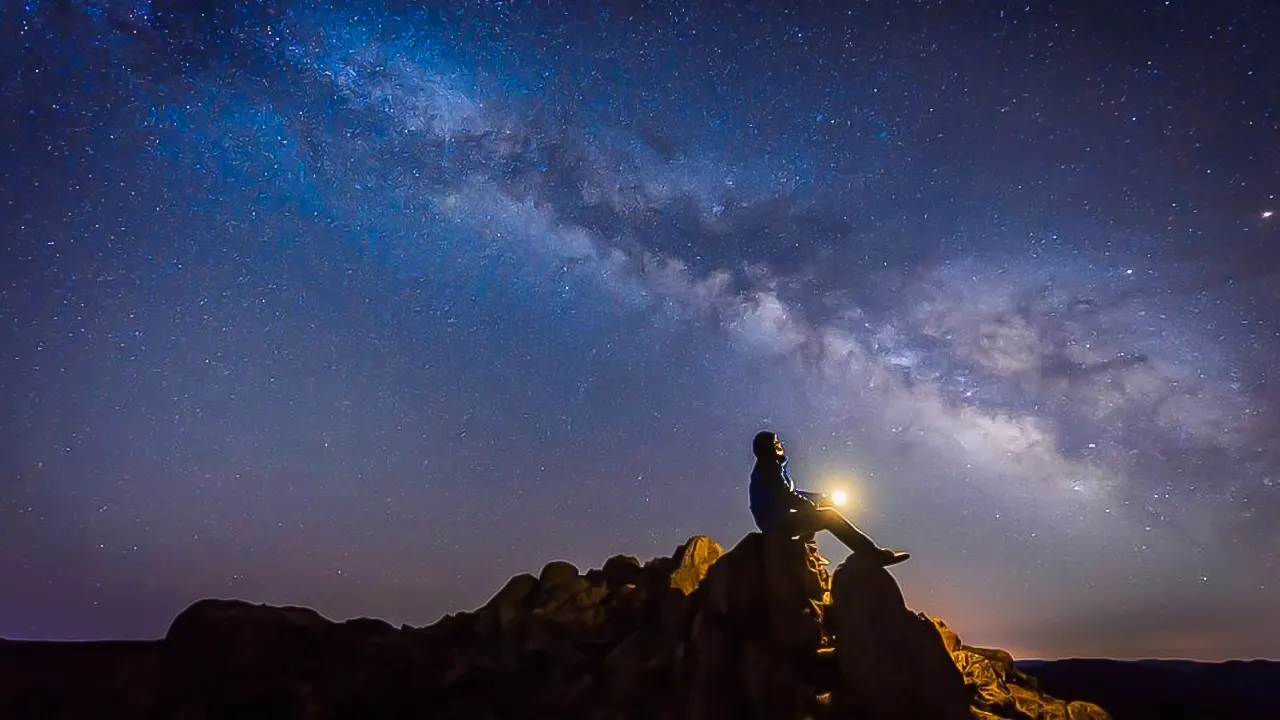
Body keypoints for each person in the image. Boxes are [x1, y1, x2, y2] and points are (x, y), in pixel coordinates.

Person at [749, 430, 910, 566]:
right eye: (775, 442)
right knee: (829, 516)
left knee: (816, 509)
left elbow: (788, 492)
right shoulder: (769, 468)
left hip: (775, 518)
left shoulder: (772, 467)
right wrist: (809, 505)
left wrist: (818, 498)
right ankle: (874, 555)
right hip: (776, 522)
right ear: (768, 448)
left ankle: (805, 546)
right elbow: (785, 496)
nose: (780, 445)